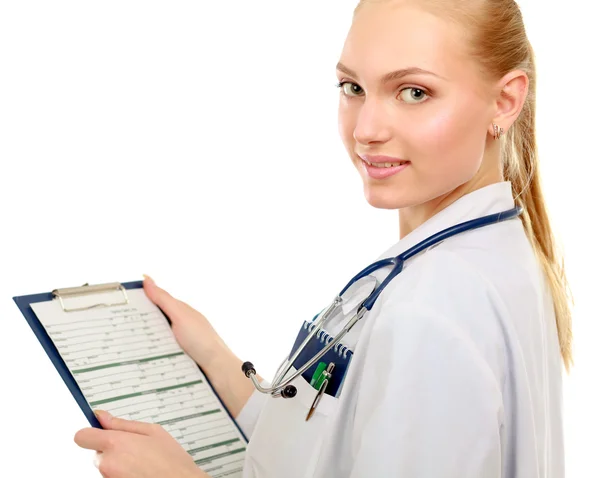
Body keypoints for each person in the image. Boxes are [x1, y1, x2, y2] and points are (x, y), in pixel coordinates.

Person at [73, 0, 572, 476]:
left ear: (505, 101)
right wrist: (213, 359)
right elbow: (325, 449)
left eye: (414, 92)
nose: (367, 129)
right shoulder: (487, 254)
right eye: (353, 87)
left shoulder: (432, 305)